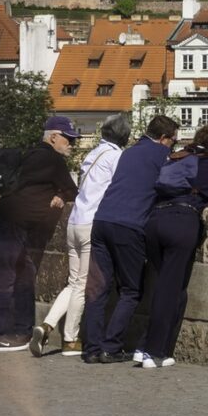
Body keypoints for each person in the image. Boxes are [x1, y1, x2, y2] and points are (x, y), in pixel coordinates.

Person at [80, 115, 178, 364]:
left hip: (101, 221)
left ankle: (91, 349)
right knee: (131, 290)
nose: (173, 147)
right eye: (173, 142)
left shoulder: (128, 153)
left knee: (97, 289)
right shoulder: (161, 156)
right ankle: (111, 347)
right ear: (164, 138)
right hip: (129, 226)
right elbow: (172, 187)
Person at [136, 120, 208, 368]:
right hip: (181, 222)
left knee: (167, 288)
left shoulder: (177, 158)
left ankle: (147, 346)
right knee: (169, 290)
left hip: (155, 220)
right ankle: (153, 352)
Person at [0, 116, 80, 352]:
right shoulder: (51, 158)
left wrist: (59, 192)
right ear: (53, 137)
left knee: (24, 274)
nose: (71, 144)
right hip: (12, 222)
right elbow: (74, 190)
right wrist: (63, 193)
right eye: (68, 139)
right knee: (5, 274)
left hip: (5, 217)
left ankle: (22, 331)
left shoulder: (33, 155)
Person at [34, 113, 128, 357]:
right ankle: (70, 339)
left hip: (74, 221)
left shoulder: (92, 153)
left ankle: (46, 325)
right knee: (83, 285)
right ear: (124, 136)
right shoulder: (116, 156)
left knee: (74, 281)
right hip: (91, 223)